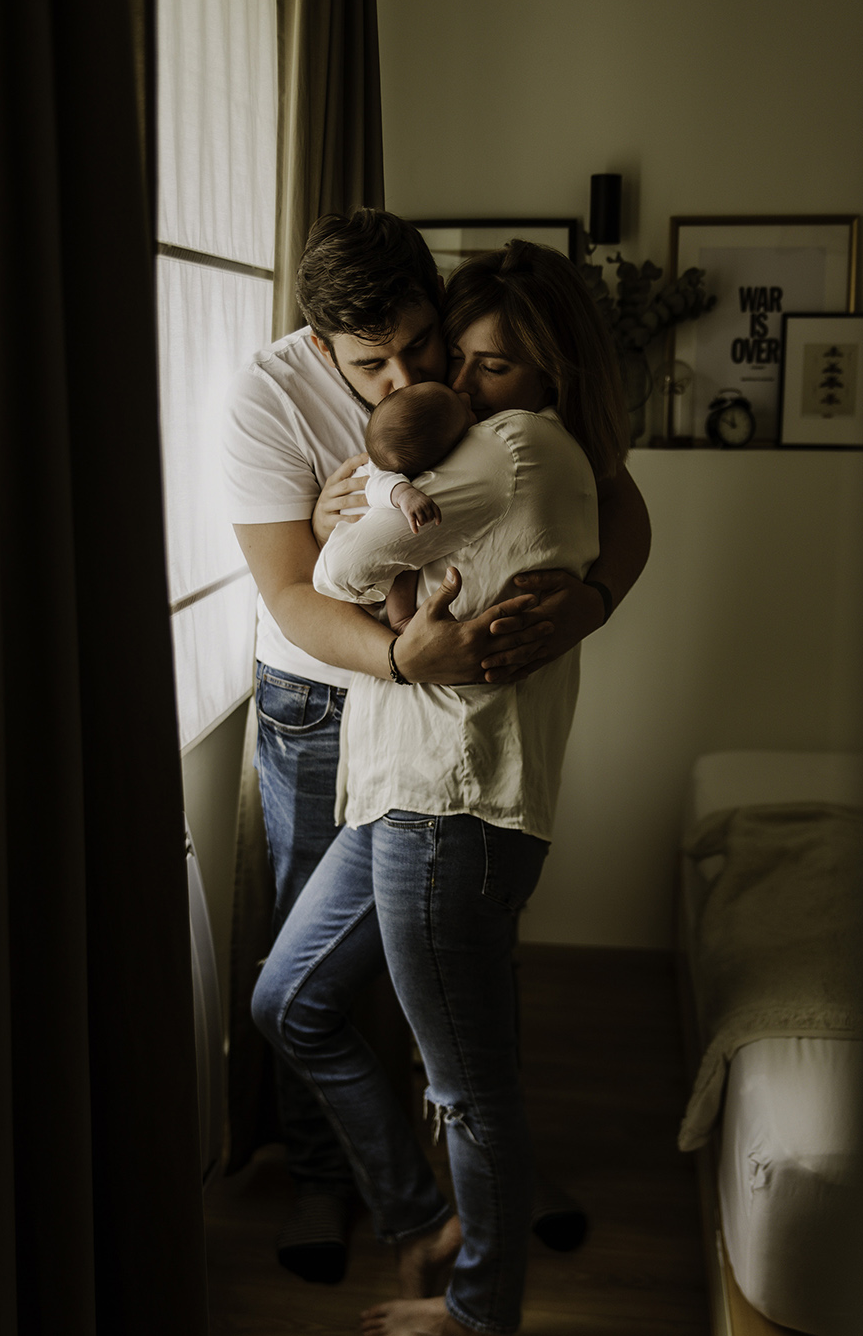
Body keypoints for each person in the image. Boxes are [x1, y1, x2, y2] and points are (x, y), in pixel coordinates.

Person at [223, 210, 651, 1284]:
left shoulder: (494, 409)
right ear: (325, 350)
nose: (419, 376)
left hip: (437, 751)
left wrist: (591, 602)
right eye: (380, 362)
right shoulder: (268, 397)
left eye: (431, 344)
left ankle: (477, 1197)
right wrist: (403, 653)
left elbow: (617, 496)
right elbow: (290, 592)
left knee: (458, 987)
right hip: (325, 708)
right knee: (299, 983)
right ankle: (354, 1185)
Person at [361, 382, 475, 632]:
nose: (466, 396)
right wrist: (404, 494)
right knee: (405, 562)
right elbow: (376, 486)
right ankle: (400, 618)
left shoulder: (410, 457)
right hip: (363, 539)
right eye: (465, 411)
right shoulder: (384, 470)